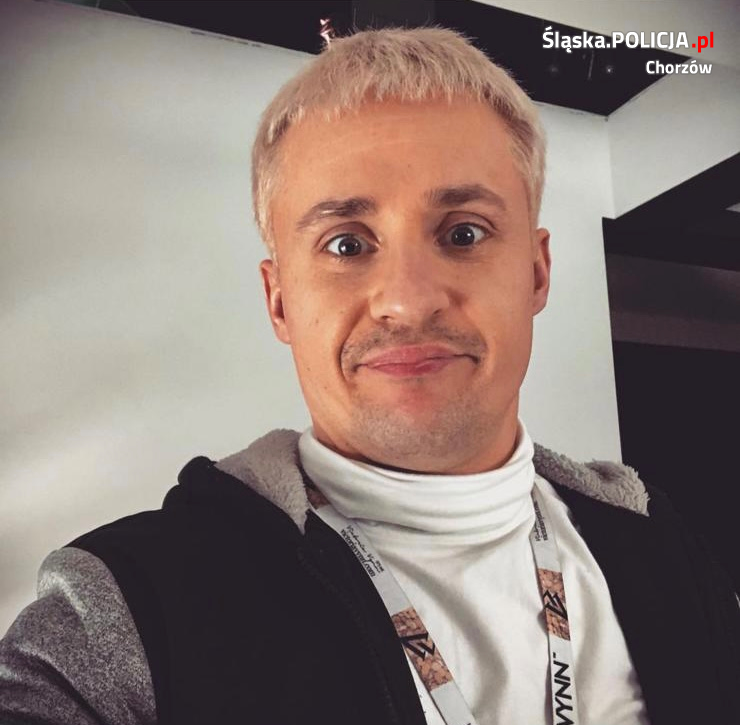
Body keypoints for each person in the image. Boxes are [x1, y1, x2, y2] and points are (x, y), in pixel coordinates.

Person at [0, 26, 737, 725]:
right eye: (346, 244)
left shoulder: (668, 552)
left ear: (537, 272)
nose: (408, 300)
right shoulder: (129, 602)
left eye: (464, 233)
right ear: (280, 301)